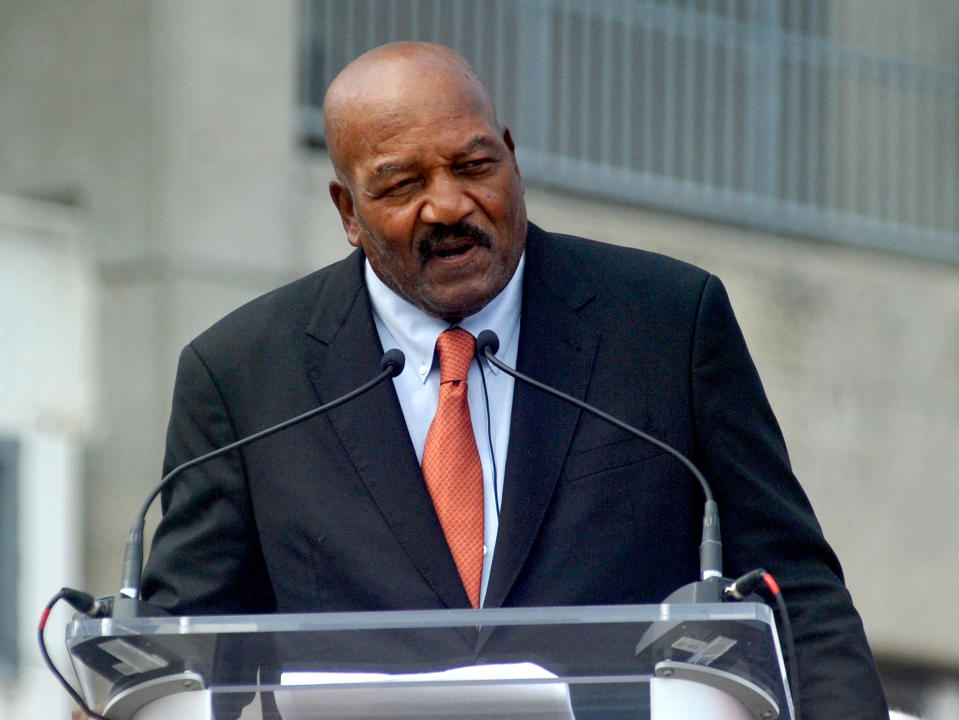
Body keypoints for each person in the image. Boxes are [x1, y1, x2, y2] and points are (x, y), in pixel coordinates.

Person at [127, 41, 887, 718]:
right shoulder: (242, 375)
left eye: (474, 165)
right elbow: (187, 646)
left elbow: (793, 591)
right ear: (348, 211)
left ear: (513, 157)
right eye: (401, 185)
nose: (451, 205)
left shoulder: (666, 324)